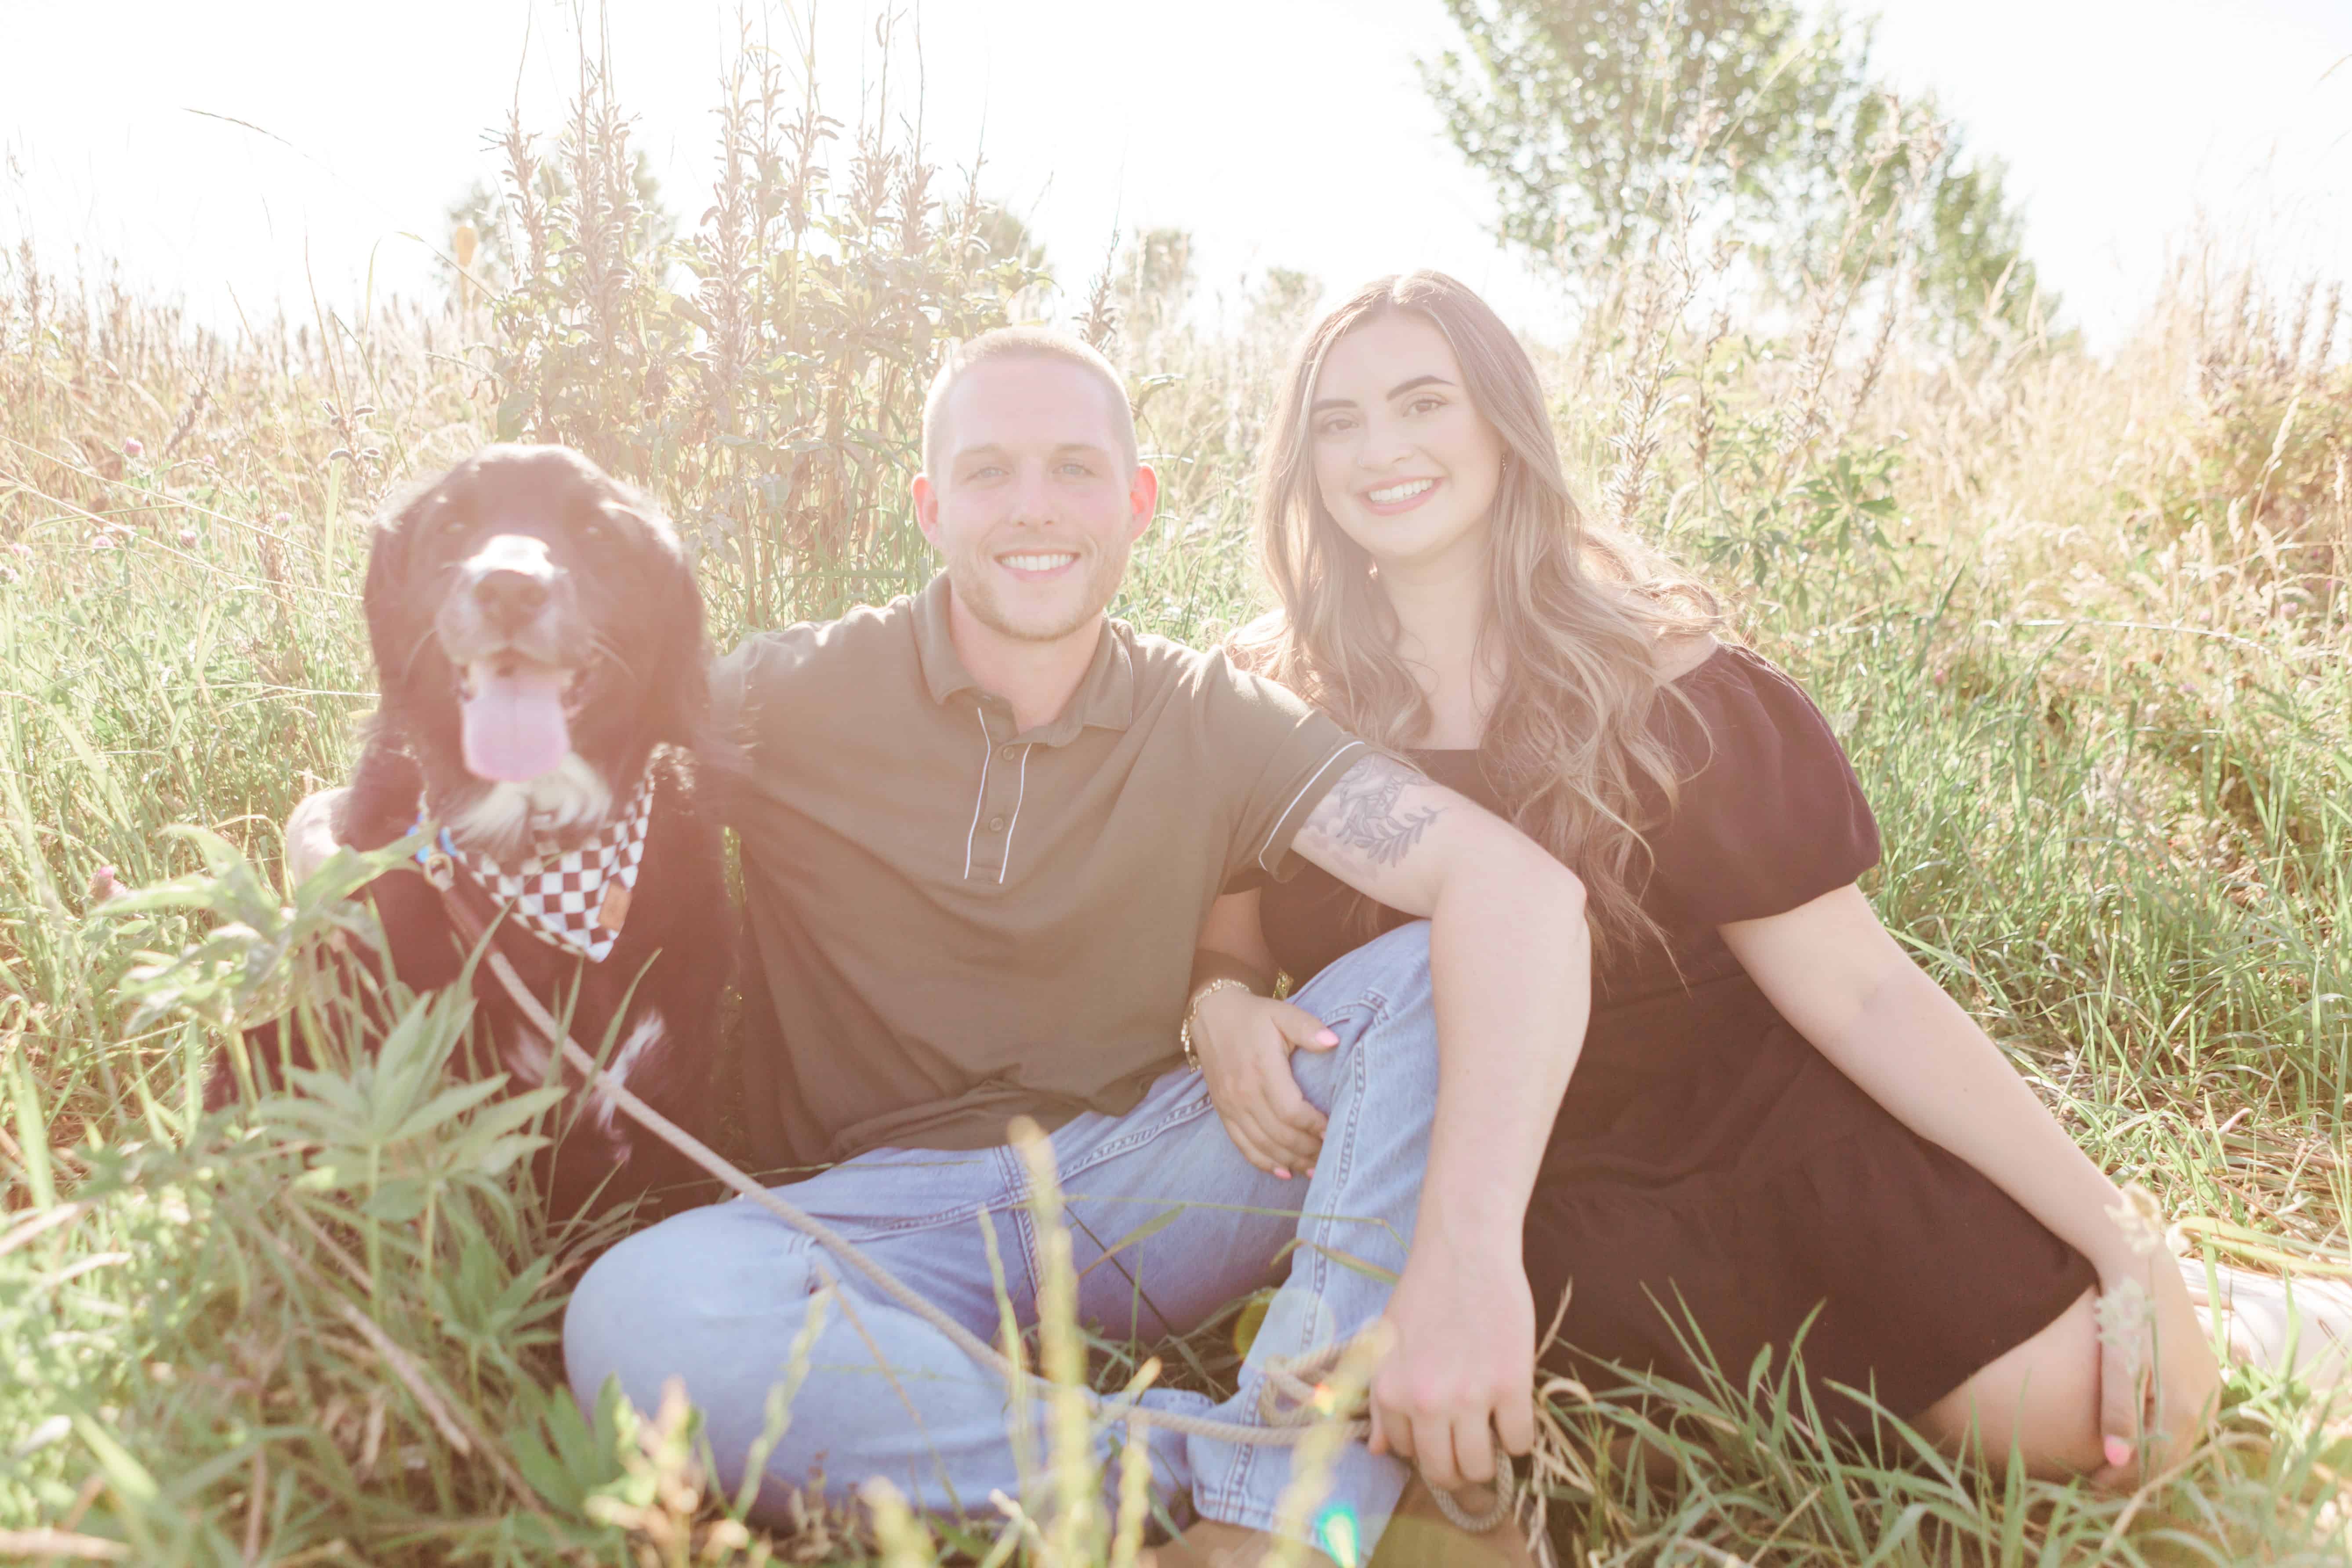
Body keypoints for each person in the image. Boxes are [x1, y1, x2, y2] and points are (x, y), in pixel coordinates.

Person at [1183, 273, 2222, 1524]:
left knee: (2099, 1415)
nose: (1381, 450)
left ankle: (2208, 1292)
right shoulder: (1266, 697)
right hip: (1476, 1179)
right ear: (1302, 463)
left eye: (1423, 404)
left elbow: (1861, 991)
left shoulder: (1659, 678)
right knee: (1466, 1451)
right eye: (1338, 422)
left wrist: (2124, 1238)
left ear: (1504, 425)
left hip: (1741, 1134)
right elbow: (1226, 947)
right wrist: (1220, 1006)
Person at [558, 327, 1593, 1566]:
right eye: (989, 472)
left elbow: (1521, 893)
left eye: (1074, 469)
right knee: (640, 1318)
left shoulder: (1212, 715)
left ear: (1138, 503)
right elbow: (564, 771)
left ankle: (1270, 1527)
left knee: (1433, 973)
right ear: (931, 508)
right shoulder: (791, 695)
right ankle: (1271, 1482)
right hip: (871, 1223)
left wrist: (1471, 1261)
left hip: (1144, 1185)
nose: (1034, 508)